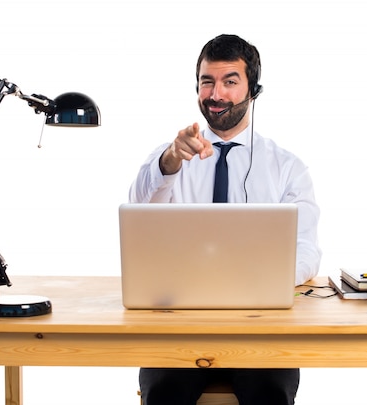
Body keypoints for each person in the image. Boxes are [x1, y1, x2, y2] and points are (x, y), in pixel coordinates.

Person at [129, 34, 321, 405]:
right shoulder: (170, 157)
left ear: (254, 90)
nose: (216, 94)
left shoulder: (287, 168)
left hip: (261, 328)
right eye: (207, 81)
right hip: (180, 327)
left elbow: (307, 250)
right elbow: (138, 214)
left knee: (269, 395)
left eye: (230, 81)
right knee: (164, 395)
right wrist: (169, 162)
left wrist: (257, 282)